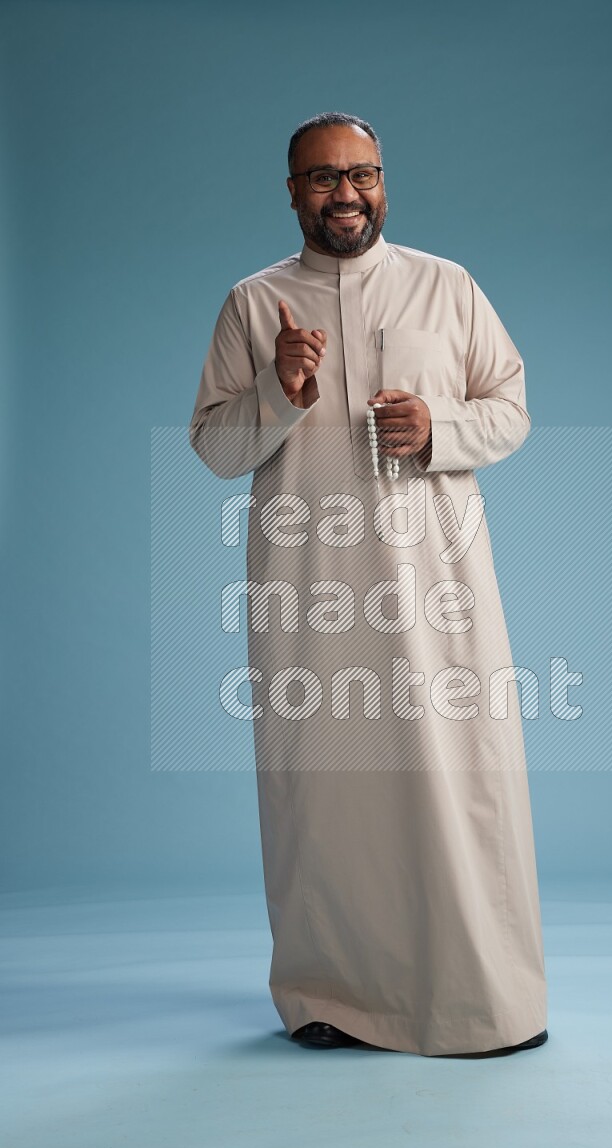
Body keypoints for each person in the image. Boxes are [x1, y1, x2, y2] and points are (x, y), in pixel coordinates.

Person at [189, 112, 548, 1057]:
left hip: (437, 590)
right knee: (325, 791)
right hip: (312, 596)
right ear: (292, 191)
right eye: (321, 178)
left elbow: (510, 406)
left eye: (362, 174)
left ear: (384, 181)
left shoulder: (447, 286)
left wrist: (438, 429)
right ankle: (329, 993)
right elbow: (215, 450)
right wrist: (279, 394)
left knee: (458, 782)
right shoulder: (252, 302)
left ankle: (482, 1000)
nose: (344, 193)